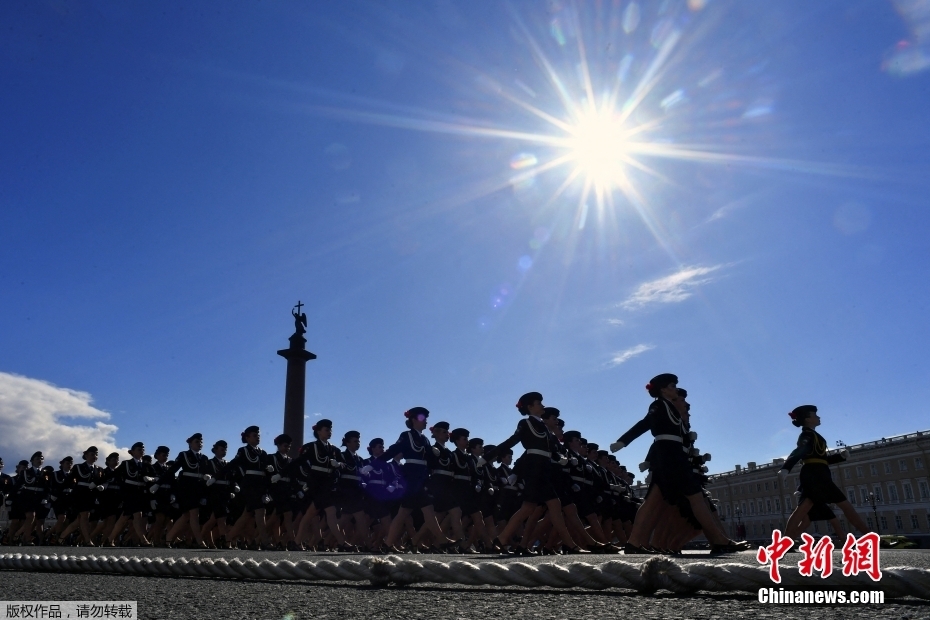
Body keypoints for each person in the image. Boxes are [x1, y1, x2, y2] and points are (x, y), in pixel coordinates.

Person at [612, 374, 748, 554]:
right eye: (672, 386)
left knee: (653, 502)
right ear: (663, 390)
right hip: (669, 457)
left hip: (674, 457)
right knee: (695, 497)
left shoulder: (671, 408)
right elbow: (644, 424)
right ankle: (719, 540)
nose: (675, 389)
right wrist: (623, 442)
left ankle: (634, 543)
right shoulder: (658, 405)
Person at [486, 393, 587, 554]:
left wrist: (561, 458)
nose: (542, 405)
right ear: (530, 407)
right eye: (538, 403)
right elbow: (512, 441)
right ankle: (570, 544)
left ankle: (502, 539)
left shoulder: (544, 428)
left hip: (543, 469)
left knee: (527, 509)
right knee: (554, 505)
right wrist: (487, 457)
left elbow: (552, 449)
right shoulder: (526, 423)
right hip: (534, 470)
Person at [779, 405, 871, 539]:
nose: (818, 417)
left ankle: (871, 537)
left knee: (806, 510)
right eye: (815, 415)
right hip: (814, 475)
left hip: (820, 474)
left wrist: (840, 457)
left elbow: (821, 459)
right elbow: (798, 452)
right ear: (808, 419)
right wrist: (786, 467)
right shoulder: (807, 435)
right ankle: (871, 537)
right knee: (842, 506)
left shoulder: (814, 435)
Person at [379, 407, 455, 552]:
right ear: (413, 420)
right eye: (422, 418)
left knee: (404, 513)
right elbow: (394, 450)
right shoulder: (407, 435)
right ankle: (442, 540)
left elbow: (431, 462)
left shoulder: (425, 439)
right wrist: (375, 464)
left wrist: (435, 454)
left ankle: (388, 544)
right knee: (426, 510)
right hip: (411, 478)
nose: (425, 421)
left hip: (421, 478)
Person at [155, 433, 210, 548]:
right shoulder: (184, 455)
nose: (200, 444)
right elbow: (172, 470)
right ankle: (199, 541)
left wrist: (206, 477)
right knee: (194, 514)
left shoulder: (204, 458)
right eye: (197, 442)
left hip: (198, 488)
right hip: (186, 488)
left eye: (201, 442)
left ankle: (168, 538)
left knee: (186, 516)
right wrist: (158, 483)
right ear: (190, 443)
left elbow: (205, 473)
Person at [225, 426, 273, 549]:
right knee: (261, 512)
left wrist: (268, 472)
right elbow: (232, 464)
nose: (257, 437)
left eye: (258, 435)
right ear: (247, 438)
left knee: (246, 515)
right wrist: (217, 476)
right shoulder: (243, 450)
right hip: (250, 485)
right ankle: (265, 542)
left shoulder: (263, 453)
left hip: (260, 485)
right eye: (254, 435)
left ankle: (227, 538)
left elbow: (265, 473)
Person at [105, 442, 154, 546]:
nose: (142, 451)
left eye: (143, 450)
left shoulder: (145, 465)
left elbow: (157, 477)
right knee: (137, 515)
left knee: (124, 518)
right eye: (139, 449)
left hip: (140, 493)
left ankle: (110, 539)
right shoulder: (126, 464)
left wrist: (151, 479)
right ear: (132, 452)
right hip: (129, 493)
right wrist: (97, 482)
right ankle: (144, 540)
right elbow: (114, 474)